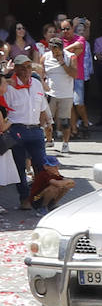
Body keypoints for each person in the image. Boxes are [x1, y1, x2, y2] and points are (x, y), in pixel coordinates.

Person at [4, 53, 50, 210]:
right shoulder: (8, 85)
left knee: (40, 166)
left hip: (35, 129)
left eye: (28, 67)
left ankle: (38, 198)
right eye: (22, 67)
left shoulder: (36, 83)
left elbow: (43, 107)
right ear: (15, 69)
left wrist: (45, 126)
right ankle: (24, 199)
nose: (25, 70)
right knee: (20, 168)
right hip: (16, 129)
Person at [42, 36, 77, 150]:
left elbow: (74, 74)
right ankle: (49, 140)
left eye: (57, 49)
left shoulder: (71, 57)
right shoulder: (45, 57)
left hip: (66, 94)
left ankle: (65, 144)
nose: (55, 52)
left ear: (62, 48)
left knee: (65, 121)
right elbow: (40, 74)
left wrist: (62, 63)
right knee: (47, 120)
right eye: (53, 49)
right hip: (50, 93)